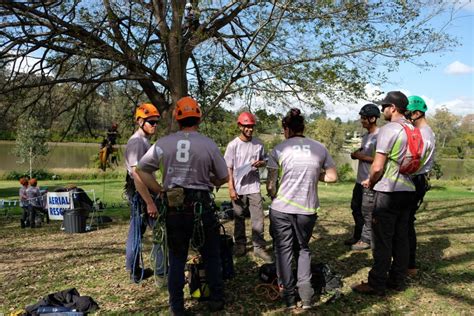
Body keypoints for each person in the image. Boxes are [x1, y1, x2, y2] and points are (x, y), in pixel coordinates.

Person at [134, 96, 228, 315]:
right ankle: (216, 299)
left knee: (177, 258)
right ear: (199, 118)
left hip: (175, 208)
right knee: (211, 254)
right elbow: (223, 176)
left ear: (177, 118)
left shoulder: (163, 143)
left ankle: (177, 306)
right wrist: (212, 180)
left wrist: (159, 190)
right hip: (201, 207)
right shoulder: (208, 144)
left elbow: (141, 169)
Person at [266, 108, 337, 309]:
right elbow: (332, 177)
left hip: (281, 209)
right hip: (307, 210)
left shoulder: (279, 149)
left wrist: (273, 194)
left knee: (284, 251)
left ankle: (288, 297)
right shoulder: (319, 148)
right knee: (303, 249)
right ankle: (306, 296)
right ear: (303, 127)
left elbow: (271, 186)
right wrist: (316, 174)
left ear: (286, 129)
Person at [352, 91, 417, 296]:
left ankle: (376, 283)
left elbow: (378, 167)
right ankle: (397, 280)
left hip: (388, 191)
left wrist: (371, 182)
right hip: (409, 189)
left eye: (384, 107)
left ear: (393, 108)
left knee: (382, 240)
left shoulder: (390, 129)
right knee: (401, 238)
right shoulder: (413, 129)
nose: (383, 111)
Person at [124, 103, 165, 284]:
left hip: (142, 193)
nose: (154, 125)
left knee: (137, 232)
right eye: (151, 122)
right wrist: (149, 201)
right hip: (142, 194)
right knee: (159, 232)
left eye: (156, 122)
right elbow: (137, 175)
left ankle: (135, 271)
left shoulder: (144, 141)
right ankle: (162, 271)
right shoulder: (136, 142)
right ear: (140, 121)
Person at [224, 111, 271, 262]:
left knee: (258, 218)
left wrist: (262, 163)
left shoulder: (259, 144)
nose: (249, 129)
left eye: (251, 126)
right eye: (246, 126)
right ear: (240, 126)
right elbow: (228, 168)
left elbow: (266, 160)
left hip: (254, 187)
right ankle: (240, 245)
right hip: (238, 188)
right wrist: (231, 188)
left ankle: (259, 247)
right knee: (239, 218)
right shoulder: (233, 145)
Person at [406, 95, 436, 277]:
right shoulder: (422, 132)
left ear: (417, 113)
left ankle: (410, 264)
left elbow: (414, 163)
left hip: (415, 180)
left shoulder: (424, 134)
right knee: (406, 222)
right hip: (416, 179)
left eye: (408, 113)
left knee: (406, 223)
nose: (406, 117)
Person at [346, 104, 380, 251]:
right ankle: (358, 235)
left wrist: (361, 157)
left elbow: (382, 161)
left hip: (370, 180)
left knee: (367, 212)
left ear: (373, 118)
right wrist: (357, 155)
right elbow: (365, 155)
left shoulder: (380, 136)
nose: (361, 121)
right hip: (359, 180)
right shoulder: (366, 136)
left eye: (364, 118)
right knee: (355, 208)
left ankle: (366, 240)